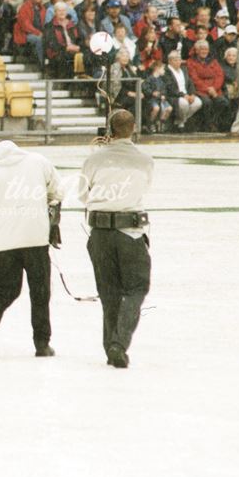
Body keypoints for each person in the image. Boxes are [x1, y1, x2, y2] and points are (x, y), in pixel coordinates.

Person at [0, 141, 64, 358]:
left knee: (6, 289)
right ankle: (42, 344)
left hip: (4, 242)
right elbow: (58, 191)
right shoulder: (38, 161)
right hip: (35, 238)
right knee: (40, 292)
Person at [79, 109, 154, 368]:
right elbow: (143, 188)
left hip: (100, 232)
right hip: (130, 231)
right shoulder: (145, 160)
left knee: (108, 292)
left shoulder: (95, 159)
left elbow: (82, 193)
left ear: (109, 130)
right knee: (135, 289)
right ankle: (118, 343)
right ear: (133, 128)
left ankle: (110, 343)